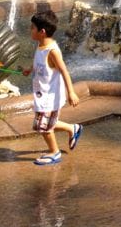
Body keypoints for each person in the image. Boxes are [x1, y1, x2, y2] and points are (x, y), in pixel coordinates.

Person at [29, 10, 83, 166]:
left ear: (42, 32)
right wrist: (29, 69)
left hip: (49, 96)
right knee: (45, 124)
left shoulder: (51, 51)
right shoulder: (41, 45)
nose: (30, 30)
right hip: (43, 94)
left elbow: (64, 71)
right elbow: (39, 64)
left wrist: (71, 92)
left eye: (32, 27)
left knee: (43, 127)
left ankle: (54, 152)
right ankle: (73, 128)